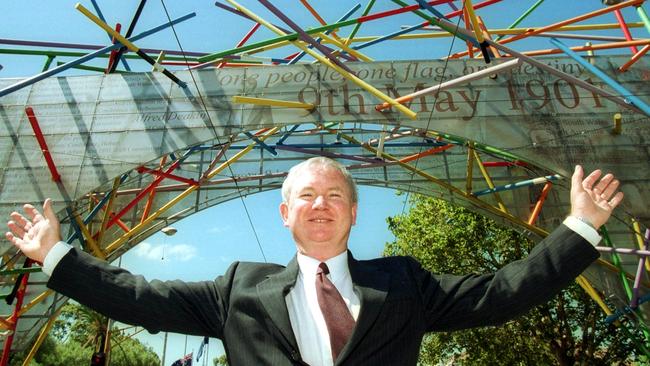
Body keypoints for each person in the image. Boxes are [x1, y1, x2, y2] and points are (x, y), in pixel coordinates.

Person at [6, 157, 623, 366]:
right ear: (285, 213)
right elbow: (141, 298)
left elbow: (502, 292)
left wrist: (579, 228)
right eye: (306, 195)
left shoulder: (404, 283)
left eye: (335, 197)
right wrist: (56, 256)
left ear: (354, 213)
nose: (320, 206)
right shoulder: (237, 290)